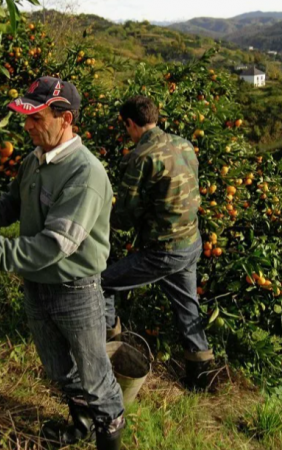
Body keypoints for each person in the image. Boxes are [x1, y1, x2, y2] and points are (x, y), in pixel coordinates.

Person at [0, 77, 126, 450]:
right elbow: (12, 202)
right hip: (35, 282)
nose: (27, 126)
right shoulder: (35, 160)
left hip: (75, 289)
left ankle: (108, 432)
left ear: (65, 118)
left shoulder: (85, 175)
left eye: (36, 118)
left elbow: (54, 245)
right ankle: (81, 422)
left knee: (95, 374)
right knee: (58, 368)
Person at [102, 95, 216, 391]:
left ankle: (110, 349)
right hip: (191, 241)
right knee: (187, 307)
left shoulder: (143, 157)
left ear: (129, 123)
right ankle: (202, 378)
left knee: (103, 283)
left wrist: (97, 218)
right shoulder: (183, 144)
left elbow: (124, 216)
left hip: (164, 250)